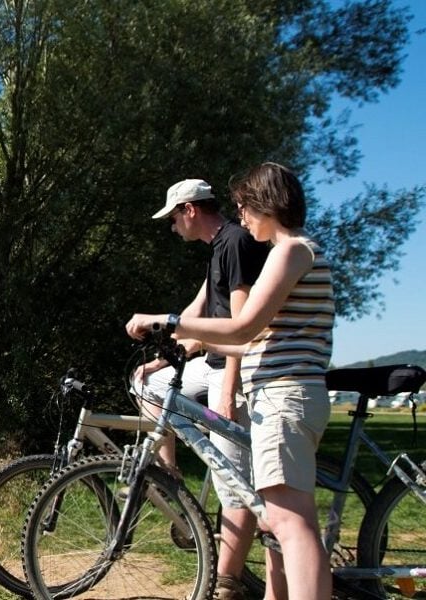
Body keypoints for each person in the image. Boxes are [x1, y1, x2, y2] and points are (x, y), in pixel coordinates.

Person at [126, 162, 335, 600]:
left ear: (265, 204)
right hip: (286, 392)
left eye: (244, 206)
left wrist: (165, 320)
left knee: (290, 526)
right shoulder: (294, 251)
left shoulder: (291, 250)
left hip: (284, 396)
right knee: (292, 523)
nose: (240, 216)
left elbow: (241, 327)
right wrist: (179, 344)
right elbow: (251, 339)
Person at [132, 178, 268, 599]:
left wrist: (229, 387)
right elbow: (197, 310)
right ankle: (170, 476)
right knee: (146, 384)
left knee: (233, 483)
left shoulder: (237, 243)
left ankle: (226, 584)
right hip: (208, 364)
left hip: (235, 370)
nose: (173, 227)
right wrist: (164, 358)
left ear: (190, 210)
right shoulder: (217, 249)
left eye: (174, 218)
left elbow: (241, 325)